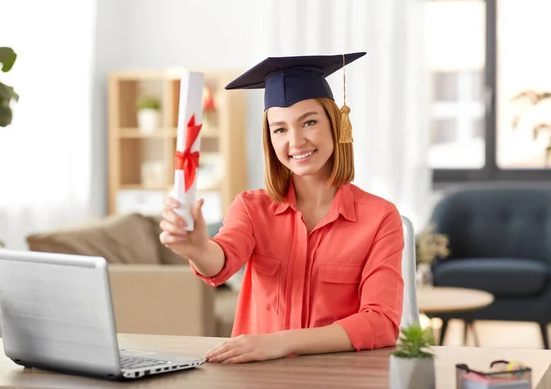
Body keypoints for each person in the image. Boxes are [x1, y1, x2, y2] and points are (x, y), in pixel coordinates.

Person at [160, 52, 404, 364]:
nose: (296, 141)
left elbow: (381, 323)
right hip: (260, 377)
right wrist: (196, 248)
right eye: (280, 129)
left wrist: (281, 342)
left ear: (336, 124)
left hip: (340, 376)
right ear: (270, 139)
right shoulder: (251, 208)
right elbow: (220, 261)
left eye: (310, 122)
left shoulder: (380, 218)